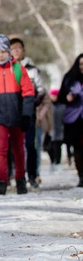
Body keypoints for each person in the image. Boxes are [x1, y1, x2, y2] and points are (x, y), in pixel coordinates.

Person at [0, 34, 35, 195]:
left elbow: (28, 92)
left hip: (17, 113)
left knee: (18, 149)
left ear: (9, 52)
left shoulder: (17, 68)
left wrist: (26, 115)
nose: (1, 54)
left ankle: (21, 179)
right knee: (1, 148)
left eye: (3, 51)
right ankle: (2, 180)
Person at [10, 37, 47, 189]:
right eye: (13, 48)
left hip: (28, 113)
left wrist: (31, 103)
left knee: (30, 145)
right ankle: (15, 174)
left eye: (19, 48)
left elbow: (41, 90)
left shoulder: (32, 69)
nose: (16, 51)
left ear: (24, 50)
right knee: (13, 146)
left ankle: (32, 175)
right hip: (11, 113)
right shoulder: (6, 69)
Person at [57, 53, 83, 187]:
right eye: (81, 64)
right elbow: (60, 97)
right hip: (74, 119)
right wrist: (67, 98)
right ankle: (81, 176)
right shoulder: (70, 78)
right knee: (77, 148)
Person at [48, 88, 65, 171]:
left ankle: (57, 163)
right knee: (49, 148)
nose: (54, 97)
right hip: (49, 130)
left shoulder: (62, 105)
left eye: (55, 95)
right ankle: (52, 162)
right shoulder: (48, 105)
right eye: (53, 95)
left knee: (58, 148)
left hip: (59, 130)